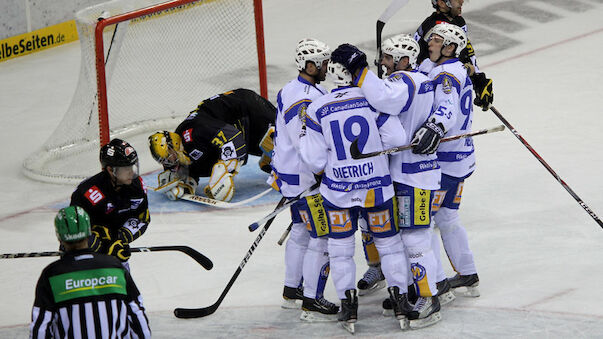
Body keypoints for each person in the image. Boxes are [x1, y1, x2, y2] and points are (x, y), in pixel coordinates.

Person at [334, 36, 444, 329]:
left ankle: (429, 298)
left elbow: (383, 98)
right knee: (405, 238)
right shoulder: (421, 79)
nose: (382, 63)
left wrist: (359, 72)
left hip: (413, 174)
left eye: (387, 58)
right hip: (409, 172)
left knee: (415, 240)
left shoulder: (405, 81)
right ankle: (412, 291)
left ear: (404, 60)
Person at [299, 50, 410, 333]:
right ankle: (399, 299)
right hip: (376, 187)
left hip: (337, 192)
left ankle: (348, 305)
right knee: (390, 244)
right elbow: (397, 139)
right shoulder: (371, 101)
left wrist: (335, 167)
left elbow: (313, 160)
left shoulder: (316, 108)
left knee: (340, 250)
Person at [271, 38, 339, 321]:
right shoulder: (304, 98)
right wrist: (322, 172)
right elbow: (304, 143)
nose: (326, 67)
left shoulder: (293, 88)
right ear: (309, 65)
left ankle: (291, 289)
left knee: (300, 231)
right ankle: (312, 298)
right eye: (322, 63)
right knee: (322, 235)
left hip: (290, 174)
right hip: (305, 177)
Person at [30, 206, 151, 338]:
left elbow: (41, 328)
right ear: (89, 232)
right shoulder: (114, 268)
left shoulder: (53, 274)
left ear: (59, 237)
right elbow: (136, 314)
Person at [422, 22, 480, 296]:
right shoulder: (455, 70)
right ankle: (468, 273)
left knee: (424, 223)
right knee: (447, 217)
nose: (429, 43)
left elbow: (447, 110)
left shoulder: (446, 75)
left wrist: (433, 129)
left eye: (435, 40)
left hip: (444, 161)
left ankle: (436, 283)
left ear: (450, 47)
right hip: (461, 157)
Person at [148, 88, 276, 202]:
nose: (167, 161)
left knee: (282, 140)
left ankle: (279, 156)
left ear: (174, 144)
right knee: (271, 152)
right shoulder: (182, 147)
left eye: (168, 156)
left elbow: (233, 139)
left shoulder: (196, 130)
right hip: (242, 125)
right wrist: (184, 182)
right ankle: (274, 157)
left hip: (249, 107)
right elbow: (197, 162)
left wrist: (224, 173)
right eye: (163, 160)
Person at [70, 139, 149, 270]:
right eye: (126, 168)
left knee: (123, 287)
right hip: (84, 256)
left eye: (132, 166)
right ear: (111, 170)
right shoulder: (87, 192)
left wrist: (120, 238)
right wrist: (103, 245)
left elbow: (142, 218)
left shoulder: (137, 187)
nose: (132, 172)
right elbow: (72, 228)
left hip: (115, 257)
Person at [415, 0, 493, 112]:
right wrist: (466, 72)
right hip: (428, 89)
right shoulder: (435, 28)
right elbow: (429, 66)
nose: (462, 2)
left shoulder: (458, 21)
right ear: (442, 3)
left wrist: (478, 78)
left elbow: (466, 50)